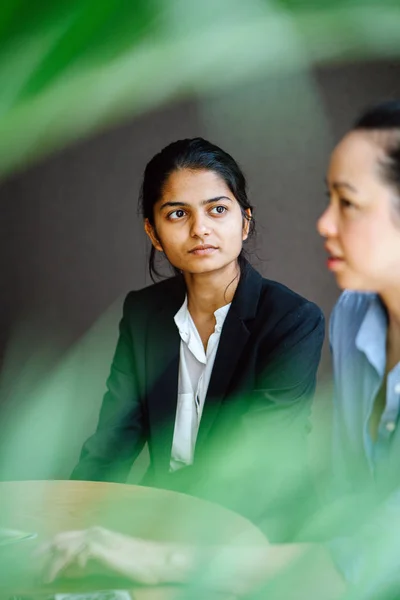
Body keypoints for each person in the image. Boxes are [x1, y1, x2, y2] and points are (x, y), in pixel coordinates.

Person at [71, 137, 324, 540]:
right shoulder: (144, 313)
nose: (200, 229)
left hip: (257, 532)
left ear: (245, 222)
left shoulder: (292, 320)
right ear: (153, 233)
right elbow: (112, 441)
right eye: (177, 214)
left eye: (218, 210)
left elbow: (255, 461)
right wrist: (69, 517)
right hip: (157, 521)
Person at [315, 100, 400, 592]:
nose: (324, 223)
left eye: (347, 203)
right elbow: (347, 509)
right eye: (328, 199)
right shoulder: (351, 314)